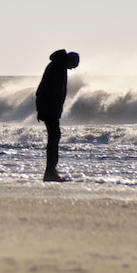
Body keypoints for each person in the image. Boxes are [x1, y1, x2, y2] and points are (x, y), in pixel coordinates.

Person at [35, 49, 80, 182]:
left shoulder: (56, 65)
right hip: (49, 107)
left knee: (54, 136)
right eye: (73, 66)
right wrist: (50, 109)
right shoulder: (59, 67)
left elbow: (43, 87)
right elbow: (53, 91)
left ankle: (51, 170)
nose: (71, 69)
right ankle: (50, 172)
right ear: (70, 61)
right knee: (54, 136)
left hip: (48, 106)